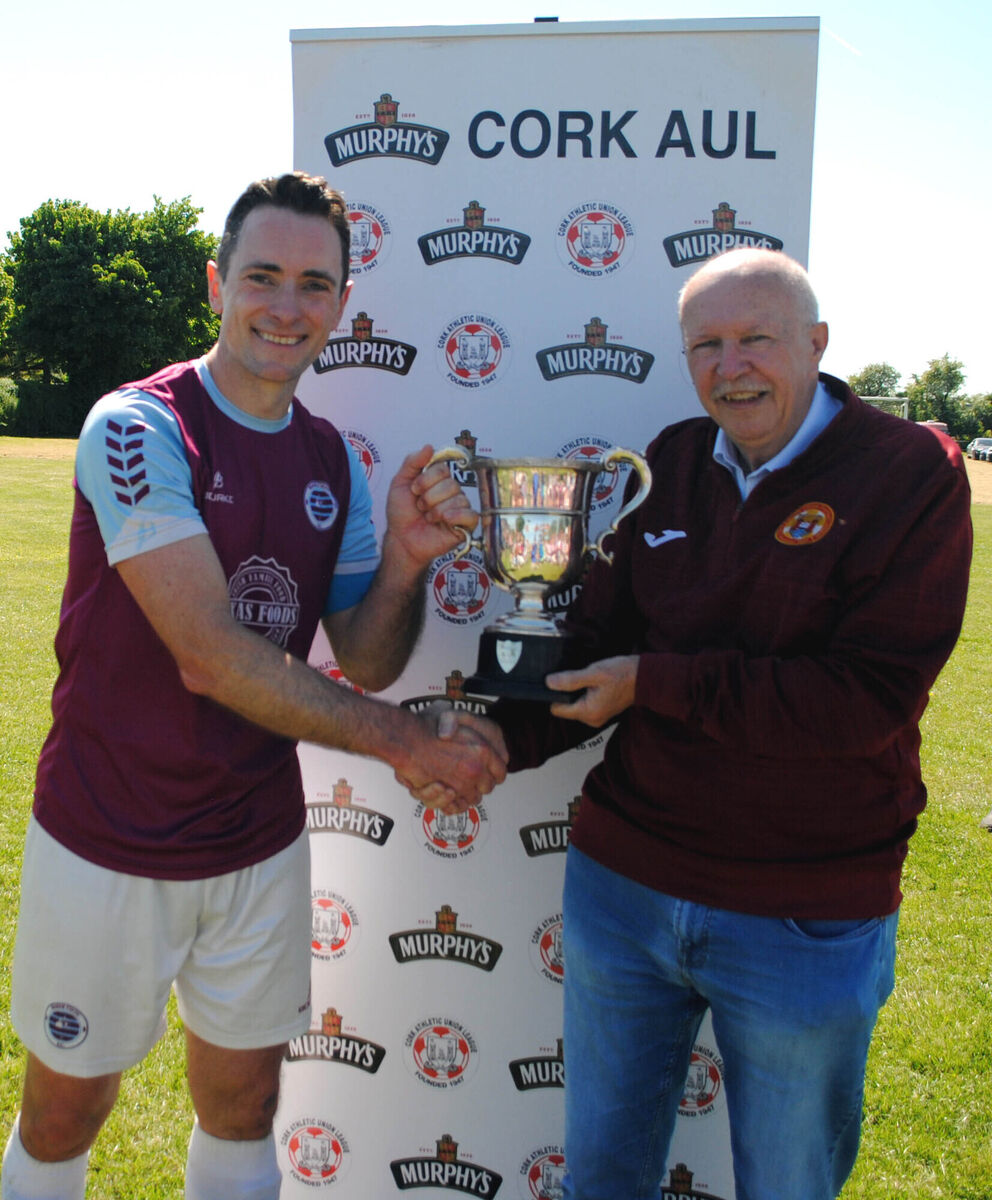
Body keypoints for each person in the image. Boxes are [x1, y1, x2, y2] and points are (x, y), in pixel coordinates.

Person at [1, 172, 506, 1200]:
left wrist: (406, 560)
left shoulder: (329, 456)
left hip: (254, 842)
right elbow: (210, 653)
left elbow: (364, 658)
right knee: (67, 1110)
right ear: (215, 283)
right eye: (263, 276)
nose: (287, 305)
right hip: (111, 835)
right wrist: (407, 744)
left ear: (342, 305)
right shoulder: (139, 426)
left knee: (243, 1109)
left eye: (313, 284)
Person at [446, 248, 973, 1199]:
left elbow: (866, 699)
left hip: (804, 914)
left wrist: (658, 684)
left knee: (788, 1184)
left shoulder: (908, 475)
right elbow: (600, 640)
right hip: (625, 891)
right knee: (602, 1180)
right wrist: (496, 737)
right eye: (706, 345)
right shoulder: (676, 462)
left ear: (816, 343)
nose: (731, 366)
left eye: (756, 340)